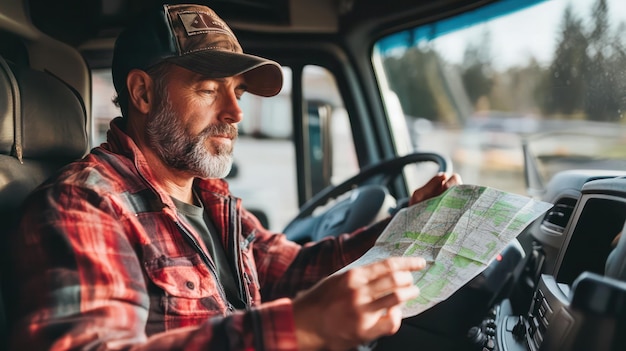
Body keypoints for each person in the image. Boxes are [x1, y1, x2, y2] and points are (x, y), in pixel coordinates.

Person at [3, 3, 461, 350]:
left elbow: (294, 270)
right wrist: (299, 326)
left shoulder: (213, 199)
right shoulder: (85, 204)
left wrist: (406, 224)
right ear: (142, 93)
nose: (236, 112)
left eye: (238, 92)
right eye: (208, 90)